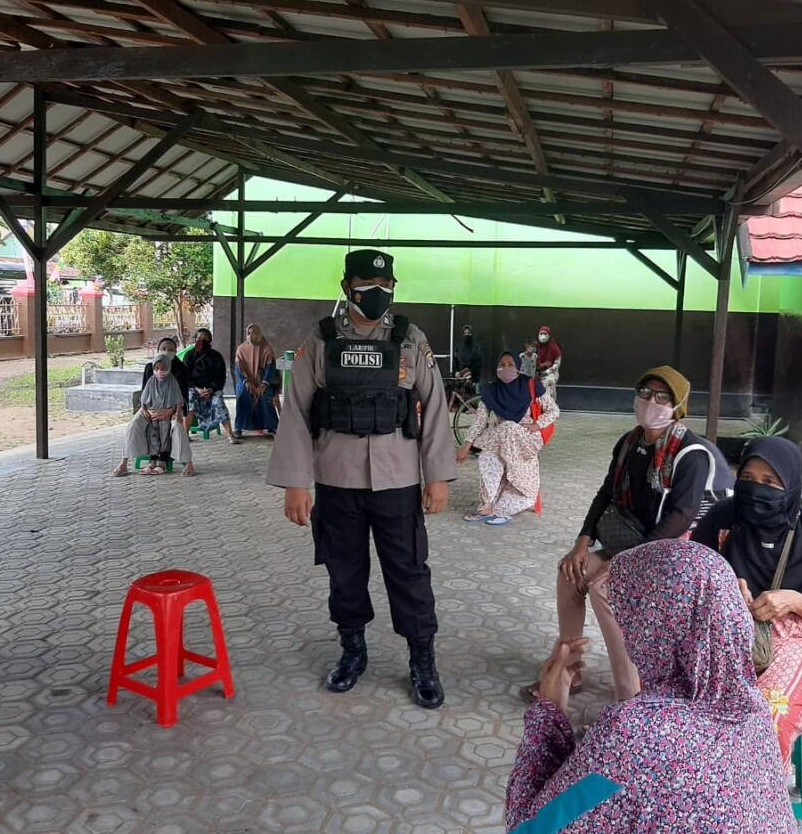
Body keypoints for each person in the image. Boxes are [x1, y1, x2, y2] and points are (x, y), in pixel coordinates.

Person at [267, 249, 456, 709]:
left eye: (386, 286)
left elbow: (434, 409)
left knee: (409, 571)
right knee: (344, 570)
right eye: (367, 285)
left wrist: (438, 478)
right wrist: (296, 481)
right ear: (347, 286)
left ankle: (422, 661)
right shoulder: (321, 340)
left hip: (398, 479)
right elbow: (295, 411)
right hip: (337, 477)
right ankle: (352, 651)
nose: (377, 294)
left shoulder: (411, 339)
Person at [506, 540, 796, 833]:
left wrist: (548, 711)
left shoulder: (634, 733)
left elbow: (530, 829)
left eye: (629, 616)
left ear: (652, 628)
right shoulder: (755, 712)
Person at [533, 366, 712, 702]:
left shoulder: (691, 453)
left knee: (605, 587)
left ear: (678, 405)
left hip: (668, 554)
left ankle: (629, 700)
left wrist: (625, 564)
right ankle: (569, 670)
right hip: (627, 544)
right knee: (570, 572)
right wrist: (582, 542)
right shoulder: (629, 443)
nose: (650, 401)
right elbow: (606, 493)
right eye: (645, 392)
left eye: (662, 396)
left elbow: (681, 516)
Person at [693, 436, 802, 764]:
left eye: (770, 482)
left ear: (791, 485)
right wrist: (725, 586)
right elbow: (694, 571)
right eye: (747, 479)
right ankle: (698, 788)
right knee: (686, 704)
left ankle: (753, 801)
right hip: (730, 628)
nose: (757, 489)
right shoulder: (726, 516)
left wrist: (794, 601)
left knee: (764, 721)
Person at [456, 352, 559, 526]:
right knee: (488, 457)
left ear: (518, 367)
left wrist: (537, 424)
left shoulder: (531, 385)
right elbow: (480, 422)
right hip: (501, 439)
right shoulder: (491, 390)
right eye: (501, 365)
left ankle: (504, 509)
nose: (505, 368)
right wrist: (466, 443)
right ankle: (487, 506)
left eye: (510, 364)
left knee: (509, 427)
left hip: (527, 438)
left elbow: (553, 410)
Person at [112, 353, 194, 477]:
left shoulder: (173, 381)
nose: (160, 372)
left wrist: (173, 413)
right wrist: (145, 411)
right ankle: (124, 463)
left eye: (163, 369)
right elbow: (144, 400)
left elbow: (179, 401)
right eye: (157, 369)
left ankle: (187, 463)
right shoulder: (151, 380)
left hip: (169, 413)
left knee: (177, 428)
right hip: (151, 413)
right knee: (133, 426)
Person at [183, 327, 235, 442]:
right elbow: (185, 377)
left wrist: (211, 389)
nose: (202, 340)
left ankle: (230, 434)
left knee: (219, 402)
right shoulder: (189, 356)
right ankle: (185, 434)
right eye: (199, 338)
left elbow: (220, 377)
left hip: (212, 389)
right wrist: (197, 389)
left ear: (210, 340)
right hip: (194, 389)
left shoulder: (216, 356)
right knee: (189, 400)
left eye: (205, 338)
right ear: (195, 339)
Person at [234, 323, 279, 438]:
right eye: (249, 333)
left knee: (265, 394)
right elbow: (238, 369)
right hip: (246, 380)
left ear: (259, 334)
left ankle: (272, 426)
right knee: (243, 392)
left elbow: (270, 368)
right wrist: (246, 381)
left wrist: (264, 384)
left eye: (254, 333)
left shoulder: (267, 348)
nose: (251, 335)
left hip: (263, 381)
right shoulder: (241, 349)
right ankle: (239, 427)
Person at [534, 326, 562, 399]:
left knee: (549, 381)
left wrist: (546, 372)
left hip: (550, 373)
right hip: (537, 372)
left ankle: (550, 403)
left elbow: (557, 364)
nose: (543, 336)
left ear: (549, 335)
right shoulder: (536, 347)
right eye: (541, 333)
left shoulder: (554, 349)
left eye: (545, 334)